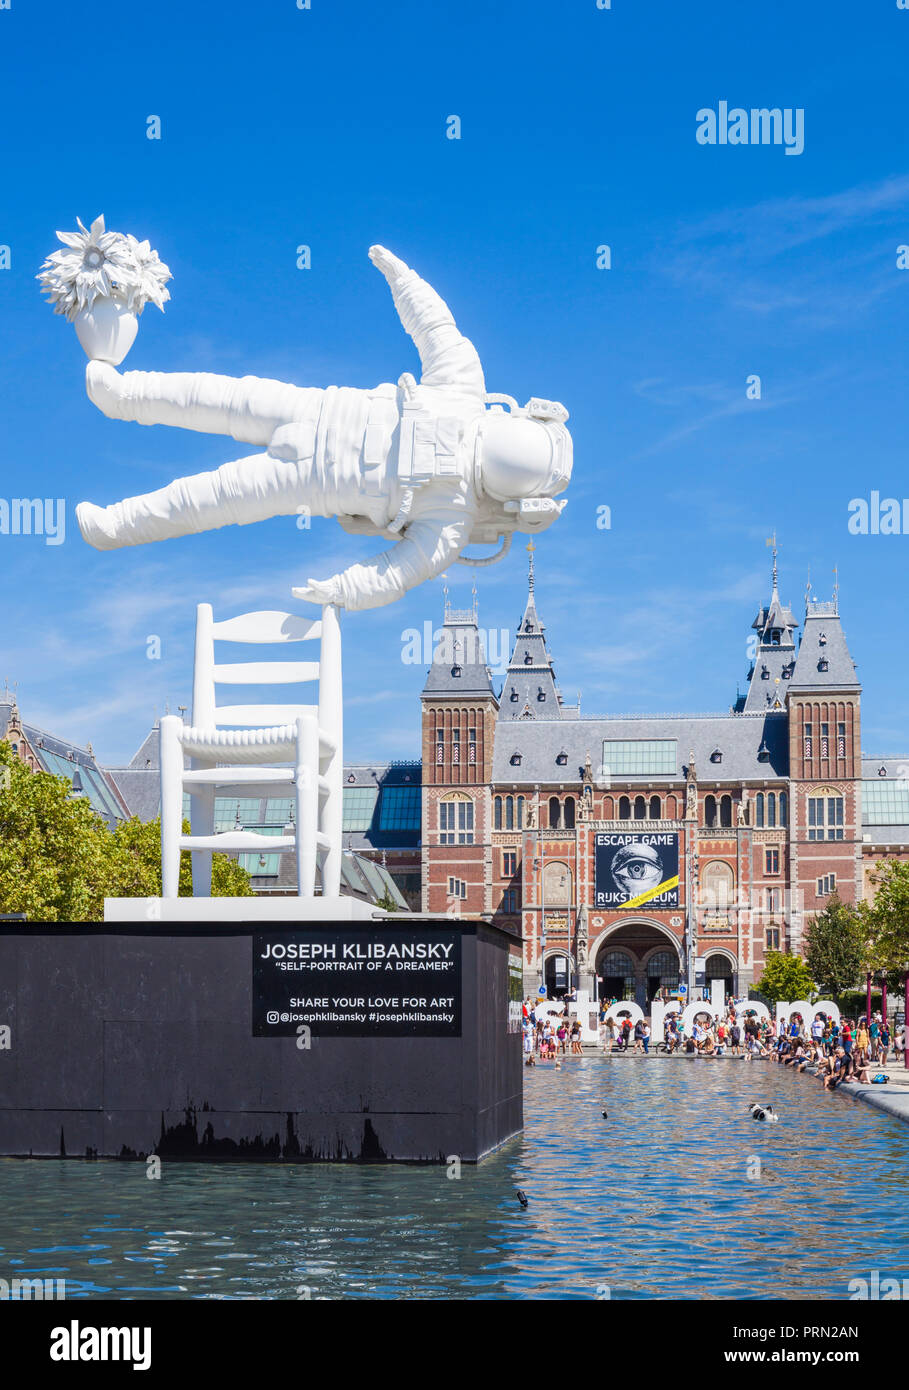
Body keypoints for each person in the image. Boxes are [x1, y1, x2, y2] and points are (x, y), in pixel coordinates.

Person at [76, 246, 573, 611]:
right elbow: (436, 328)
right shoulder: (454, 497)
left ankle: (114, 523)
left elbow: (395, 574)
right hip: (315, 416)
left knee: (209, 469)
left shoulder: (454, 514)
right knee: (212, 425)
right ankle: (119, 399)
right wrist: (403, 279)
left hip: (310, 478)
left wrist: (343, 589)